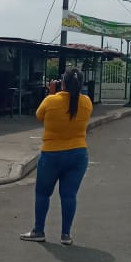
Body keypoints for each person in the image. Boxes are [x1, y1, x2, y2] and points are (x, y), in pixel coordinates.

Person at [20, 68, 93, 246]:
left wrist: (52, 93)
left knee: (43, 193)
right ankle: (66, 234)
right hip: (78, 154)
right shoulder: (86, 102)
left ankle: (38, 231)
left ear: (63, 83)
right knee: (69, 195)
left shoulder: (51, 100)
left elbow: (39, 115)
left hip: (52, 154)